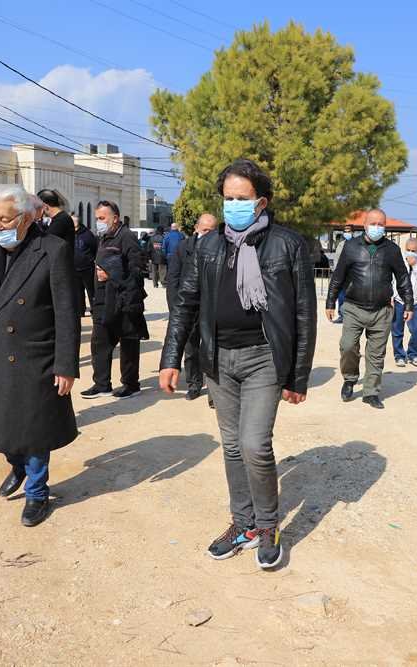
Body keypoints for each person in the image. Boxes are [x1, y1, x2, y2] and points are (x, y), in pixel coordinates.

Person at [159, 158, 316, 570]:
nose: (233, 206)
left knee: (253, 445)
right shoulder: (208, 245)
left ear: (260, 202)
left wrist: (298, 375)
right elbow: (186, 303)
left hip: (264, 358)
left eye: (241, 199)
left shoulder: (288, 245)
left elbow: (303, 313)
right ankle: (242, 522)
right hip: (218, 360)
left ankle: (267, 526)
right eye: (228, 199)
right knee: (231, 446)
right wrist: (171, 358)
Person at [0, 184, 80, 527]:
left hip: (35, 354)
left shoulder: (53, 249)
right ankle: (16, 465)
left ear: (26, 217)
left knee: (33, 428)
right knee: (0, 424)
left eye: (5, 219)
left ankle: (36, 493)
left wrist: (66, 365)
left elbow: (66, 311)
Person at [326, 209, 412, 409]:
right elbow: (337, 277)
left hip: (382, 310)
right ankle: (350, 379)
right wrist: (330, 302)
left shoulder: (392, 250)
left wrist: (408, 303)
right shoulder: (351, 247)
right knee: (348, 346)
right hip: (354, 307)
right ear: (364, 225)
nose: (377, 227)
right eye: (373, 223)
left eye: (380, 224)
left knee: (376, 353)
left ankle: (371, 392)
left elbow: (402, 278)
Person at [81, 200, 149, 399]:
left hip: (123, 300)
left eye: (102, 218)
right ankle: (102, 384)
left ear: (115, 218)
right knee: (99, 342)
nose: (99, 222)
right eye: (97, 218)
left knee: (128, 343)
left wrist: (111, 275)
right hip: (103, 300)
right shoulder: (103, 238)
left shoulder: (126, 237)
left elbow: (137, 270)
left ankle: (130, 384)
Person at [166, 213, 218, 401]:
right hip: (189, 306)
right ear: (196, 229)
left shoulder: (221, 249)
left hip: (212, 308)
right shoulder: (183, 248)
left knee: (213, 350)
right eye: (204, 230)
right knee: (191, 348)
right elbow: (172, 279)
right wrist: (175, 308)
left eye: (212, 231)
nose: (208, 234)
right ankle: (194, 384)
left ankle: (214, 392)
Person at [392, 237, 417, 367]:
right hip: (399, 300)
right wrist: (391, 296)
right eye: (408, 250)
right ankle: (399, 355)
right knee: (397, 330)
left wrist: (414, 266)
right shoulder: (398, 258)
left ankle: (413, 354)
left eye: (413, 250)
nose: (410, 252)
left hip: (415, 302)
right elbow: (392, 279)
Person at [71, 213, 98, 316]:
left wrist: (90, 260)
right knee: (78, 292)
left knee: (91, 291)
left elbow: (94, 248)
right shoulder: (69, 233)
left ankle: (94, 310)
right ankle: (80, 311)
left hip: (87, 268)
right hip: (74, 268)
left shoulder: (87, 234)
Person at [331, 224, 353, 323]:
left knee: (353, 296)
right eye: (345, 231)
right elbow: (336, 258)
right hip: (341, 274)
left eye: (348, 231)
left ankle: (351, 317)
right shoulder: (340, 244)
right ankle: (341, 315)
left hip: (353, 275)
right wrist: (336, 272)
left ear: (352, 232)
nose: (346, 233)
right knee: (341, 295)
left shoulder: (357, 243)